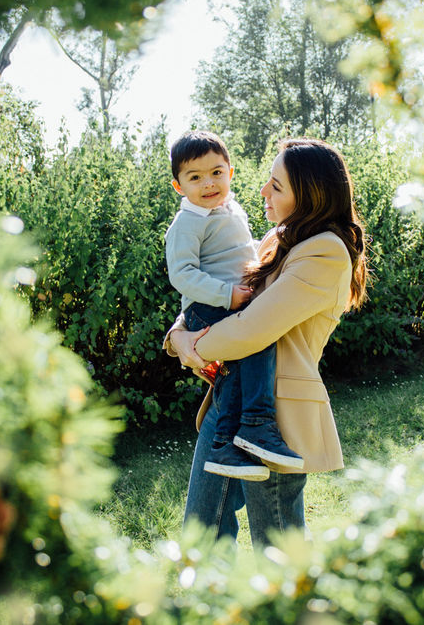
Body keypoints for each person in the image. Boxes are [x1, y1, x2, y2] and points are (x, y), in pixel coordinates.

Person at [164, 137, 368, 545]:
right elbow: (223, 293)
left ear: (309, 195)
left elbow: (251, 328)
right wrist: (177, 336)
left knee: (276, 545)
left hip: (275, 414)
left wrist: (190, 348)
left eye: (275, 185)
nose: (262, 191)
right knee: (203, 533)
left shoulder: (325, 251)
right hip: (229, 400)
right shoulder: (277, 240)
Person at [165, 130, 304, 482]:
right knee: (257, 339)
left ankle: (231, 441)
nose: (208, 183)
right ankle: (253, 425)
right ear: (178, 186)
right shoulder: (188, 222)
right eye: (195, 178)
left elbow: (240, 252)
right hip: (207, 305)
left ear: (230, 172)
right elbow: (182, 274)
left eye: (216, 173)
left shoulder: (229, 208)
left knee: (241, 363)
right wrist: (227, 294)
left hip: (228, 301)